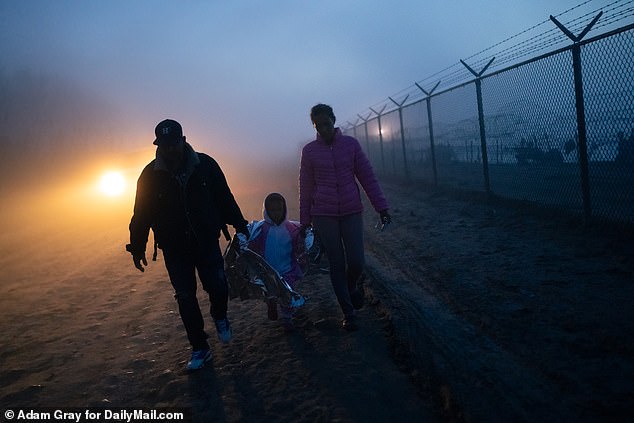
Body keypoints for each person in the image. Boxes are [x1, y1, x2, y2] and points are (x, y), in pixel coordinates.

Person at [126, 119, 249, 370]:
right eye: (164, 144)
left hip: (206, 239)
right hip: (174, 247)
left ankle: (220, 315)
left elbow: (223, 197)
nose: (169, 149)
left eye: (173, 143)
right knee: (185, 297)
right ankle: (200, 348)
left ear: (183, 141)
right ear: (158, 145)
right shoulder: (149, 176)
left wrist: (240, 224)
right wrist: (137, 246)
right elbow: (141, 214)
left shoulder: (206, 165)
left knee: (218, 285)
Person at [299, 104, 391, 331]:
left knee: (357, 261)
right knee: (337, 264)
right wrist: (304, 221)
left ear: (333, 120)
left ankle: (351, 288)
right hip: (323, 214)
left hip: (351, 211)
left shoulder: (350, 146)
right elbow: (306, 186)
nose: (323, 129)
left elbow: (367, 177)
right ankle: (348, 313)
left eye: (326, 124)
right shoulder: (309, 151)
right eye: (318, 126)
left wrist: (382, 207)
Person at [246, 192, 311, 332]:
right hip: (269, 271)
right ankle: (272, 302)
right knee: (272, 291)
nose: (276, 213)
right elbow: (252, 247)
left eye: (279, 209)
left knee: (287, 294)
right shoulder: (261, 229)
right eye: (272, 210)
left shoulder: (291, 228)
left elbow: (299, 244)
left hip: (288, 268)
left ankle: (287, 319)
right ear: (266, 211)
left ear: (284, 209)